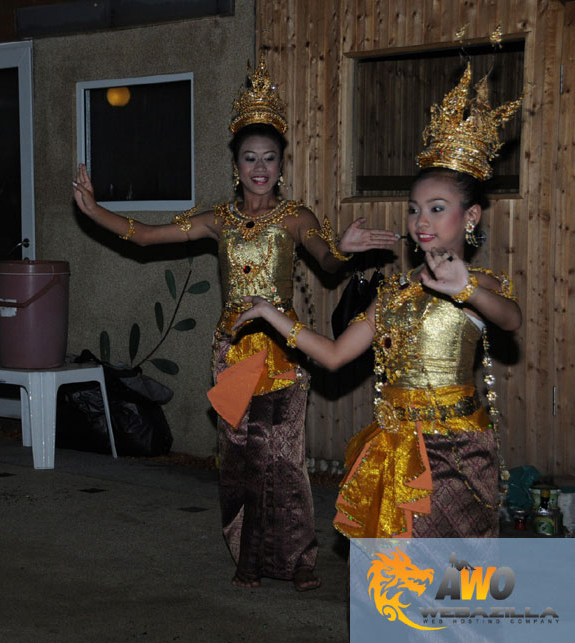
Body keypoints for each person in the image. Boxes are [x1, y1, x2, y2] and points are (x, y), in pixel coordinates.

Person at [72, 54, 398, 591]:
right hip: (233, 352)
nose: (260, 168)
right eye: (250, 158)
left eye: (269, 158)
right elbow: (149, 236)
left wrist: (343, 249)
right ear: (237, 164)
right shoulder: (219, 221)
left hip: (287, 352)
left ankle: (298, 560)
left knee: (286, 461)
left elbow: (329, 261)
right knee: (240, 460)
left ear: (280, 163)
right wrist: (94, 211)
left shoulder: (296, 217)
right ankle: (248, 556)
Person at [230, 64, 522, 539]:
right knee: (397, 585)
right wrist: (271, 314)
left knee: (454, 581)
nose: (420, 221)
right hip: (396, 449)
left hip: (458, 452)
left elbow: (510, 318)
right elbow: (333, 354)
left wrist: (465, 288)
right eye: (414, 209)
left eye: (436, 208)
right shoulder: (393, 295)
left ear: (470, 216)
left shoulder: (477, 284)